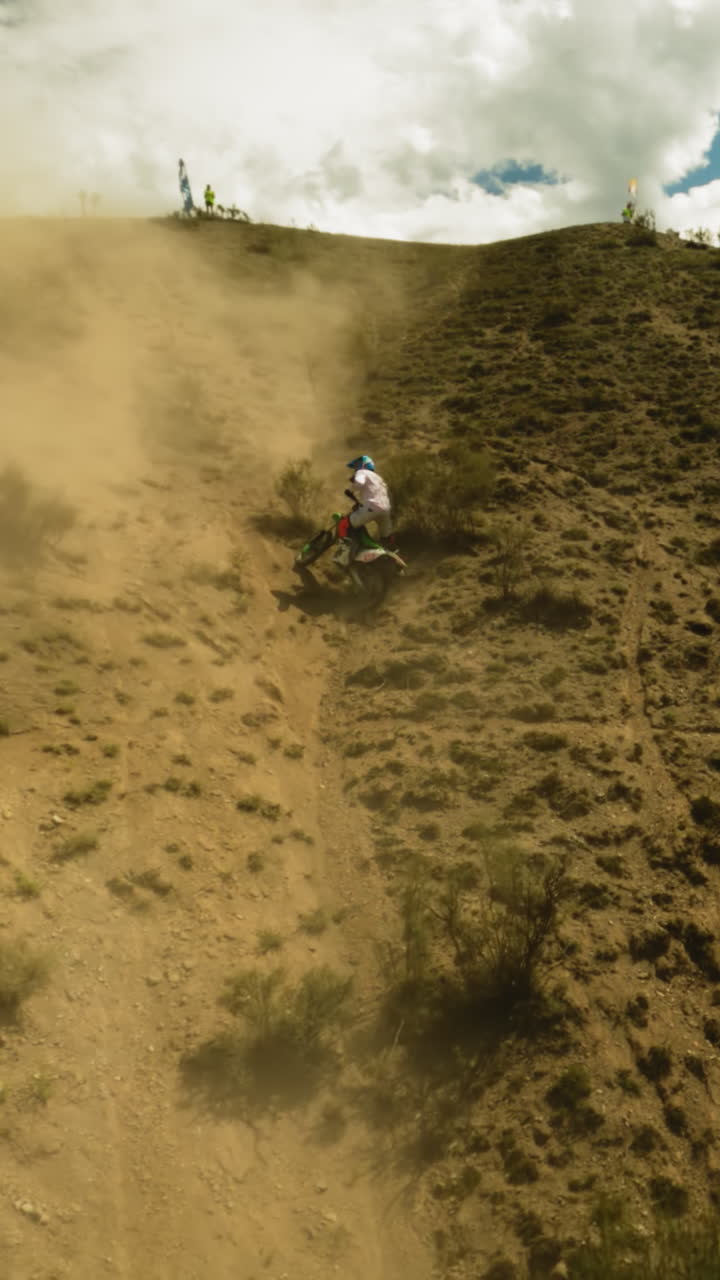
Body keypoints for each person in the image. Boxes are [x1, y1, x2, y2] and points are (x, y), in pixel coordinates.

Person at [344, 455, 395, 555]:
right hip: (386, 510)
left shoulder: (362, 472)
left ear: (362, 465)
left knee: (345, 524)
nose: (355, 470)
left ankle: (346, 555)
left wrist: (351, 489)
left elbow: (359, 483)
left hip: (372, 507)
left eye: (356, 467)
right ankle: (391, 552)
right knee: (386, 538)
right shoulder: (379, 478)